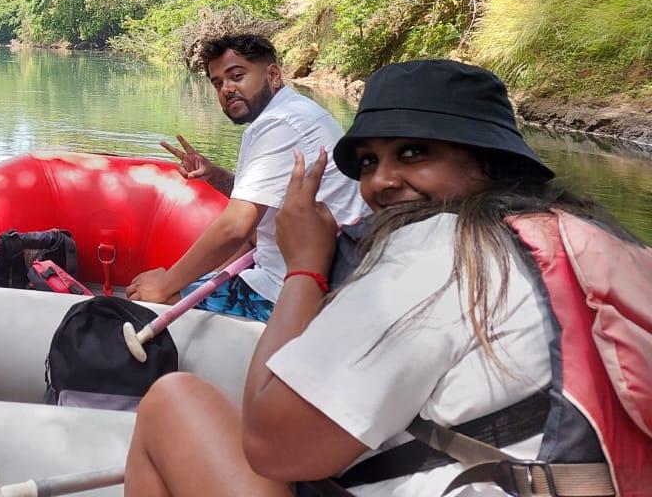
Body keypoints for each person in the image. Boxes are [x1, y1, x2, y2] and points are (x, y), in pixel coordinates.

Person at [124, 59, 648, 497]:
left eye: (414, 153)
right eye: (370, 160)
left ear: (486, 163)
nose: (380, 181)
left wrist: (304, 266)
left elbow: (269, 443)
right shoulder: (590, 236)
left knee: (174, 403)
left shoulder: (443, 247)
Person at [128, 34, 368, 320]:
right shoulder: (297, 111)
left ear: (273, 75)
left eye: (237, 76)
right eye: (217, 83)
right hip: (321, 276)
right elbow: (262, 203)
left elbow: (236, 227)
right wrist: (214, 174)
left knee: (146, 302)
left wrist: (165, 285)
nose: (226, 89)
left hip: (290, 293)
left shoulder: (278, 124)